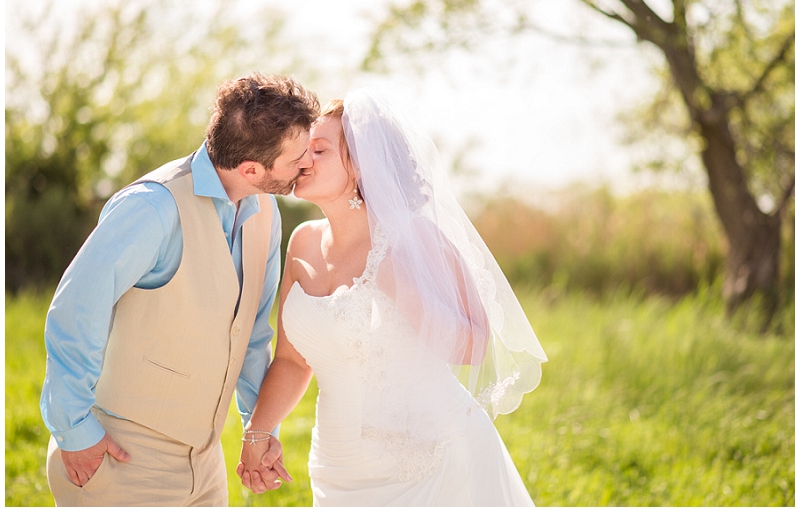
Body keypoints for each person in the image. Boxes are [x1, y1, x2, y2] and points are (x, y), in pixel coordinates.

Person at [237, 89, 547, 505]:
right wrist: (258, 431)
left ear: (363, 165)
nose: (302, 159)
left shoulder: (415, 238)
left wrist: (404, 288)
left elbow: (476, 346)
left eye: (320, 149)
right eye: (302, 149)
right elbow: (293, 361)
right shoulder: (302, 242)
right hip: (336, 466)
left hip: (430, 465)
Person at [40, 72, 320, 506]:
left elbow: (252, 337)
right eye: (297, 159)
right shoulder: (152, 206)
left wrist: (259, 430)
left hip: (205, 466)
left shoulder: (266, 212)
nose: (309, 165)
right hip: (117, 458)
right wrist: (74, 430)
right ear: (251, 169)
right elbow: (76, 309)